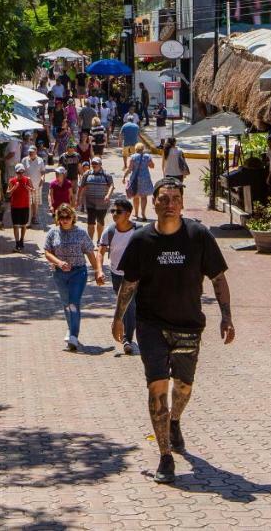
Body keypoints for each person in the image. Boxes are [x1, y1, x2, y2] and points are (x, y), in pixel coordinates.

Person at [112, 178, 234, 484]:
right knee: (157, 388)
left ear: (182, 202)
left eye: (175, 199)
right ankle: (165, 457)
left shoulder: (199, 236)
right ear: (154, 203)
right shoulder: (141, 240)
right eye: (164, 199)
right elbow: (129, 284)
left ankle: (175, 420)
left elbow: (218, 278)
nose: (170, 204)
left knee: (183, 388)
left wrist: (226, 317)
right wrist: (118, 318)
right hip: (151, 325)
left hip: (189, 325)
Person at [43, 203, 104, 351]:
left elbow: (90, 252)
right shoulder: (53, 233)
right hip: (59, 274)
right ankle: (71, 329)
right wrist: (58, 262)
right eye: (62, 217)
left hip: (78, 272)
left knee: (73, 303)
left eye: (67, 217)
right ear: (58, 218)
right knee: (66, 303)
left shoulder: (81, 233)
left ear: (73, 217)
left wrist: (97, 271)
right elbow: (47, 252)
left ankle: (74, 337)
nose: (65, 220)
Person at [99, 197, 140, 355]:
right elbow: (101, 252)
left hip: (136, 275)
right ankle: (123, 328)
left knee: (131, 305)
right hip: (116, 274)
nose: (114, 214)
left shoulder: (138, 231)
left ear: (128, 214)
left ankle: (127, 339)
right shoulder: (109, 231)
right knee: (124, 305)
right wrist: (99, 270)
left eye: (118, 211)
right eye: (113, 211)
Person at [79, 157, 115, 240]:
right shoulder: (87, 174)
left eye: (96, 163)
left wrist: (108, 195)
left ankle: (99, 240)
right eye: (93, 163)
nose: (94, 165)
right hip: (90, 203)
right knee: (90, 223)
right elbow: (82, 187)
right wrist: (79, 199)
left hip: (102, 204)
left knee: (100, 222)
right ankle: (90, 241)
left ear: (100, 165)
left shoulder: (106, 175)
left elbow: (112, 186)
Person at [124, 142, 156, 221]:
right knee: (144, 196)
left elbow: (129, 169)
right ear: (143, 149)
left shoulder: (133, 157)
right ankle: (143, 213)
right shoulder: (147, 156)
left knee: (135, 196)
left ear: (135, 149)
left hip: (135, 179)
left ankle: (136, 213)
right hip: (145, 178)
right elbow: (152, 166)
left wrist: (124, 176)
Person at [7, 163, 33, 251]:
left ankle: (21, 240)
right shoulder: (11, 181)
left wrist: (29, 189)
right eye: (19, 173)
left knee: (23, 225)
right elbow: (8, 194)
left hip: (25, 205)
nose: (21, 174)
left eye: (22, 172)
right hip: (15, 206)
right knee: (15, 225)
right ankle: (17, 242)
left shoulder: (27, 179)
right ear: (16, 172)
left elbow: (33, 190)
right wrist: (14, 188)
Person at [23, 146, 48, 227]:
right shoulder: (24, 160)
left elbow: (43, 171)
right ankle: (28, 220)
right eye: (29, 152)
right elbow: (22, 172)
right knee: (28, 203)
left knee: (35, 202)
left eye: (32, 152)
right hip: (27, 186)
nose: (30, 153)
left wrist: (43, 179)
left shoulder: (40, 160)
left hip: (37, 185)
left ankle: (34, 217)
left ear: (36, 152)